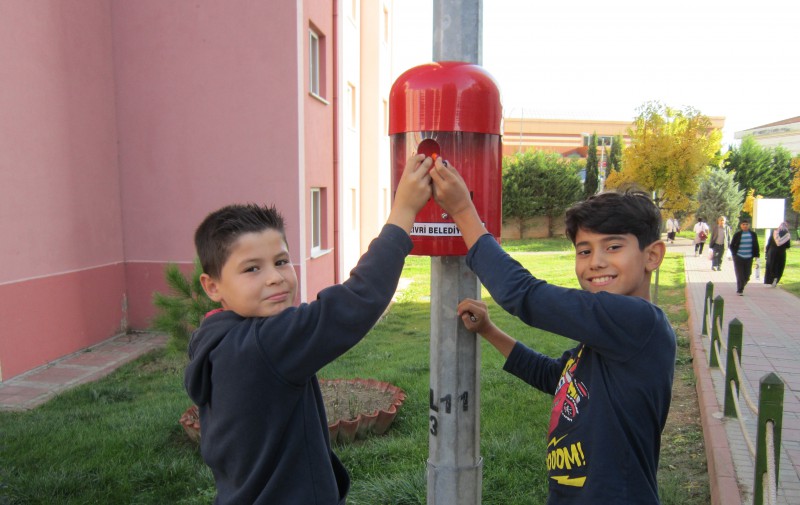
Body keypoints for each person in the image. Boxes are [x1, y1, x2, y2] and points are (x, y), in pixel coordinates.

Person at [183, 154, 433, 505]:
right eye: (252, 269)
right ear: (213, 286)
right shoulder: (264, 344)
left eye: (281, 261)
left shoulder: (218, 336)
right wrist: (403, 212)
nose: (274, 277)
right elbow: (355, 303)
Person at [430, 159, 676, 504]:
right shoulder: (609, 337)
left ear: (652, 256)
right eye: (584, 250)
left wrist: (462, 210)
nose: (596, 262)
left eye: (614, 247)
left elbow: (525, 295)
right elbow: (555, 377)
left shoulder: (639, 322)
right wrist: (489, 330)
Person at [729, 219, 760, 295]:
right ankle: (740, 290)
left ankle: (742, 284)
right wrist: (734, 254)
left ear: (749, 225)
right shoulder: (738, 234)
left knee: (748, 274)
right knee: (740, 274)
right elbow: (732, 245)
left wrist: (757, 255)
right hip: (739, 256)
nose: (745, 226)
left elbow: (756, 245)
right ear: (741, 226)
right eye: (743, 224)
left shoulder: (753, 234)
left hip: (749, 257)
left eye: (746, 224)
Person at [764, 221, 791, 287]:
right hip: (781, 252)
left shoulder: (774, 232)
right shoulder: (787, 234)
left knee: (771, 265)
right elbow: (788, 245)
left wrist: (766, 252)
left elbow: (769, 243)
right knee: (779, 266)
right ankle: (776, 278)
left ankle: (769, 281)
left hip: (772, 252)